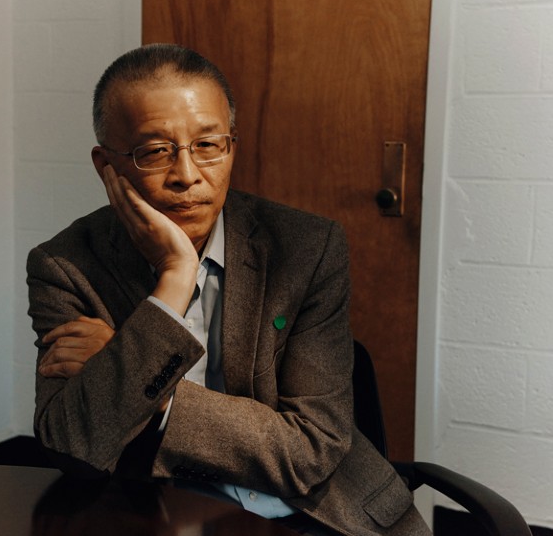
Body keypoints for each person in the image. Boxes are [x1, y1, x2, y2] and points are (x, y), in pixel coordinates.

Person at [27, 44, 430, 535]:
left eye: (208, 145)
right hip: (166, 516)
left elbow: (312, 450)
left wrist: (151, 390)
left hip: (319, 512)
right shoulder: (65, 266)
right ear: (105, 165)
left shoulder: (306, 247)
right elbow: (73, 446)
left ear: (231, 147)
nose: (187, 176)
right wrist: (175, 274)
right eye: (154, 151)